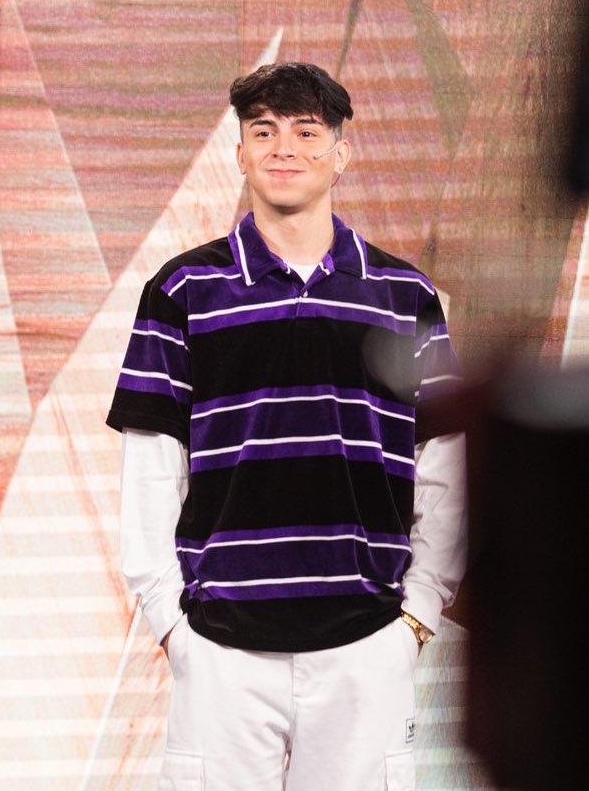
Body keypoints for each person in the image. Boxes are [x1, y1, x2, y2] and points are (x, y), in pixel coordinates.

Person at [107, 62, 467, 791]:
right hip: (221, 651)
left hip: (367, 644)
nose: (283, 148)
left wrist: (419, 614)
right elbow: (151, 471)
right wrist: (172, 626)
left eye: (306, 131)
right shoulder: (181, 292)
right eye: (264, 130)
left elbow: (444, 463)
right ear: (239, 152)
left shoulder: (404, 296)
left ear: (341, 152)